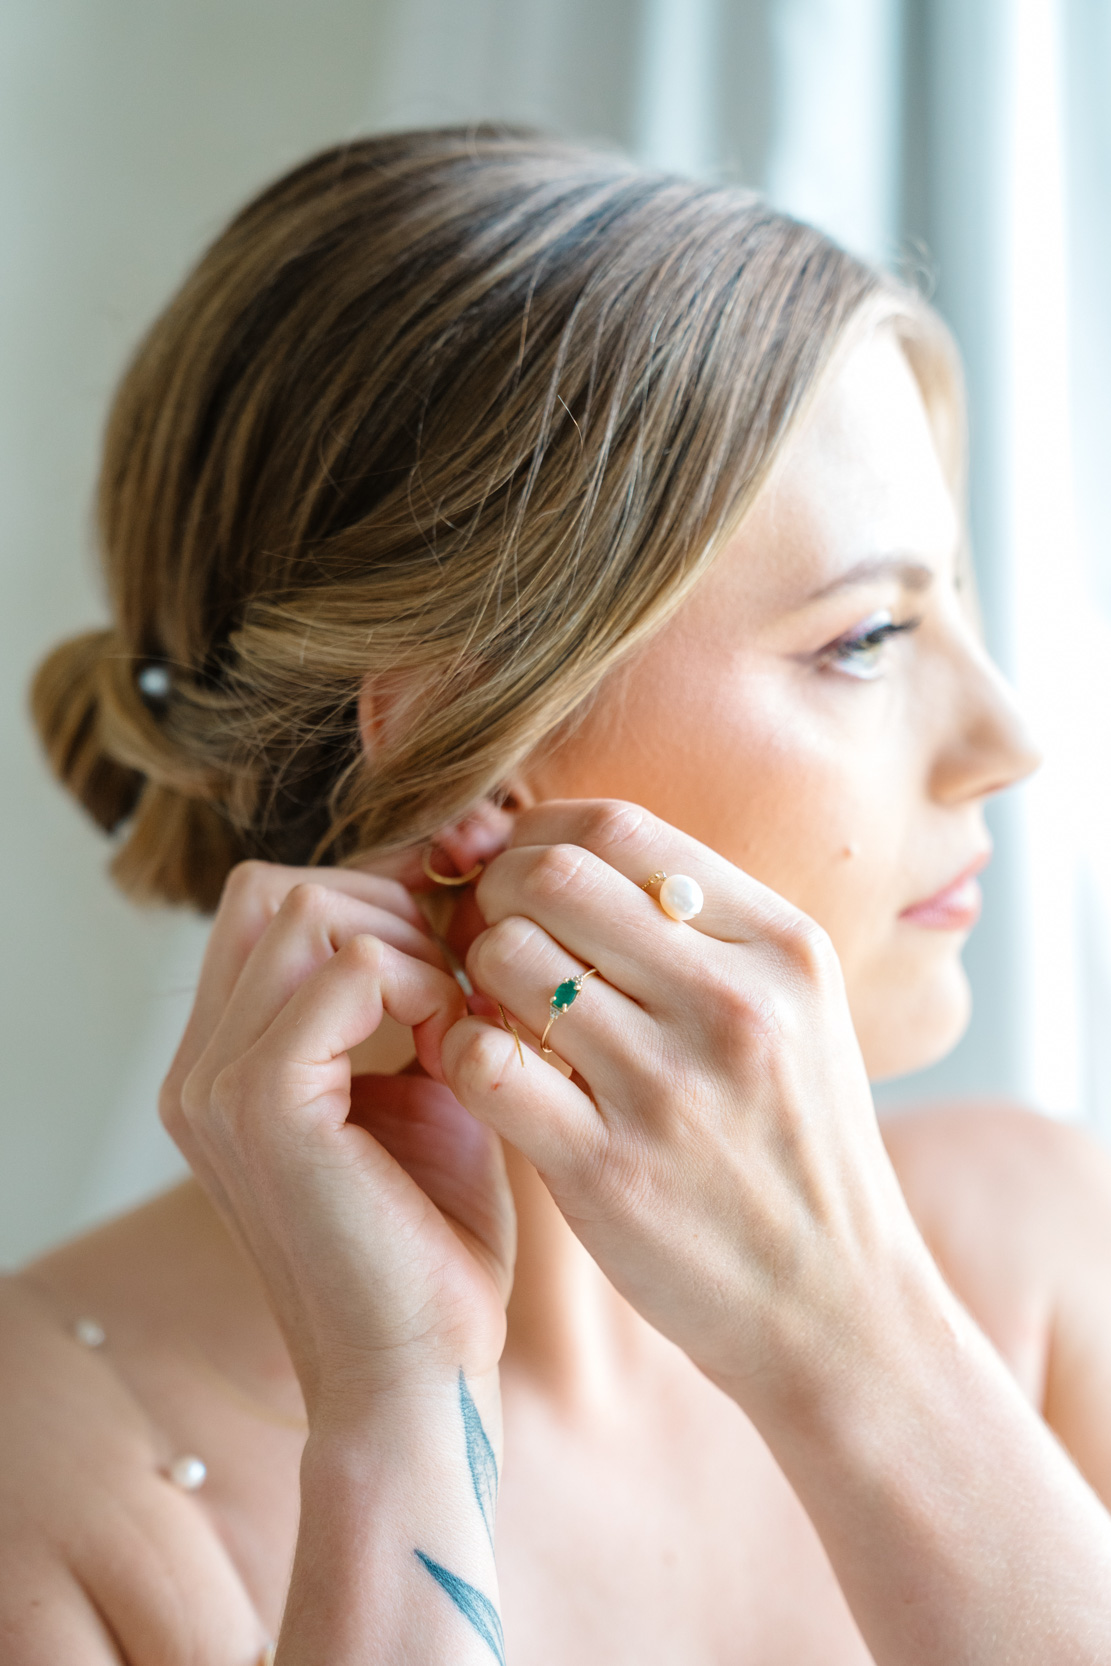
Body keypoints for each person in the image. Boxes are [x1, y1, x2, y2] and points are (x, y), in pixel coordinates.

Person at [5, 125, 1111, 1665]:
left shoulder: (1050, 1254)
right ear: (478, 767)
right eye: (867, 639)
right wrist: (396, 1405)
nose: (1007, 739)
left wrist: (854, 1342)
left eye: (955, 612)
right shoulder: (39, 1488)